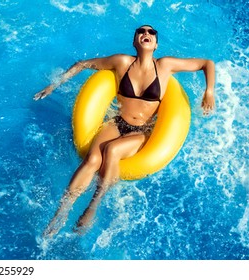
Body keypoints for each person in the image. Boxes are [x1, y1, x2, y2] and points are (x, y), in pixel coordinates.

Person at [34, 25, 216, 237]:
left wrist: (209, 91)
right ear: (134, 41)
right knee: (92, 159)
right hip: (118, 122)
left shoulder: (165, 66)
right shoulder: (122, 62)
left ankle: (93, 207)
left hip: (142, 131)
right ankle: (60, 214)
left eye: (151, 33)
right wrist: (53, 85)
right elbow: (83, 64)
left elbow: (207, 63)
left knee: (111, 150)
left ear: (156, 44)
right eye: (141, 32)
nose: (146, 34)